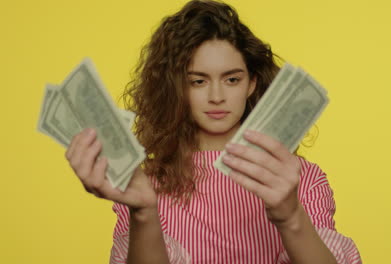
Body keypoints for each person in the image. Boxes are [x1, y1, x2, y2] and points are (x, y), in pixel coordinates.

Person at [65, 0, 362, 263]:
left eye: (231, 79)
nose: (217, 96)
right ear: (178, 88)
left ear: (252, 83)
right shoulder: (143, 184)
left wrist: (291, 216)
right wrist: (144, 212)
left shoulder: (301, 178)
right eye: (198, 81)